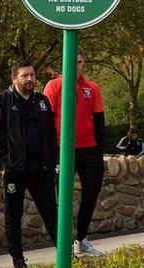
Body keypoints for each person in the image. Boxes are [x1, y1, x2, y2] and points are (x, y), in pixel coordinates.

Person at [0, 59, 59, 268]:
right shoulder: (2, 100)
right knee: (13, 216)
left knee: (52, 213)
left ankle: (65, 256)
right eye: (24, 75)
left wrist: (52, 162)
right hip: (15, 171)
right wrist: (2, 164)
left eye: (32, 75)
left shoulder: (42, 101)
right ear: (14, 78)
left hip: (41, 171)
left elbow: (51, 135)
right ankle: (19, 262)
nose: (29, 79)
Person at [43, 51, 105, 257]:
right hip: (63, 149)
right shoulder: (54, 86)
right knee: (62, 198)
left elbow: (99, 122)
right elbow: (46, 121)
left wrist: (99, 150)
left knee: (91, 193)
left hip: (89, 149)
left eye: (79, 62)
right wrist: (52, 151)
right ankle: (65, 243)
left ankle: (82, 239)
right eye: (72, 61)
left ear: (83, 63)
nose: (75, 65)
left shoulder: (93, 88)